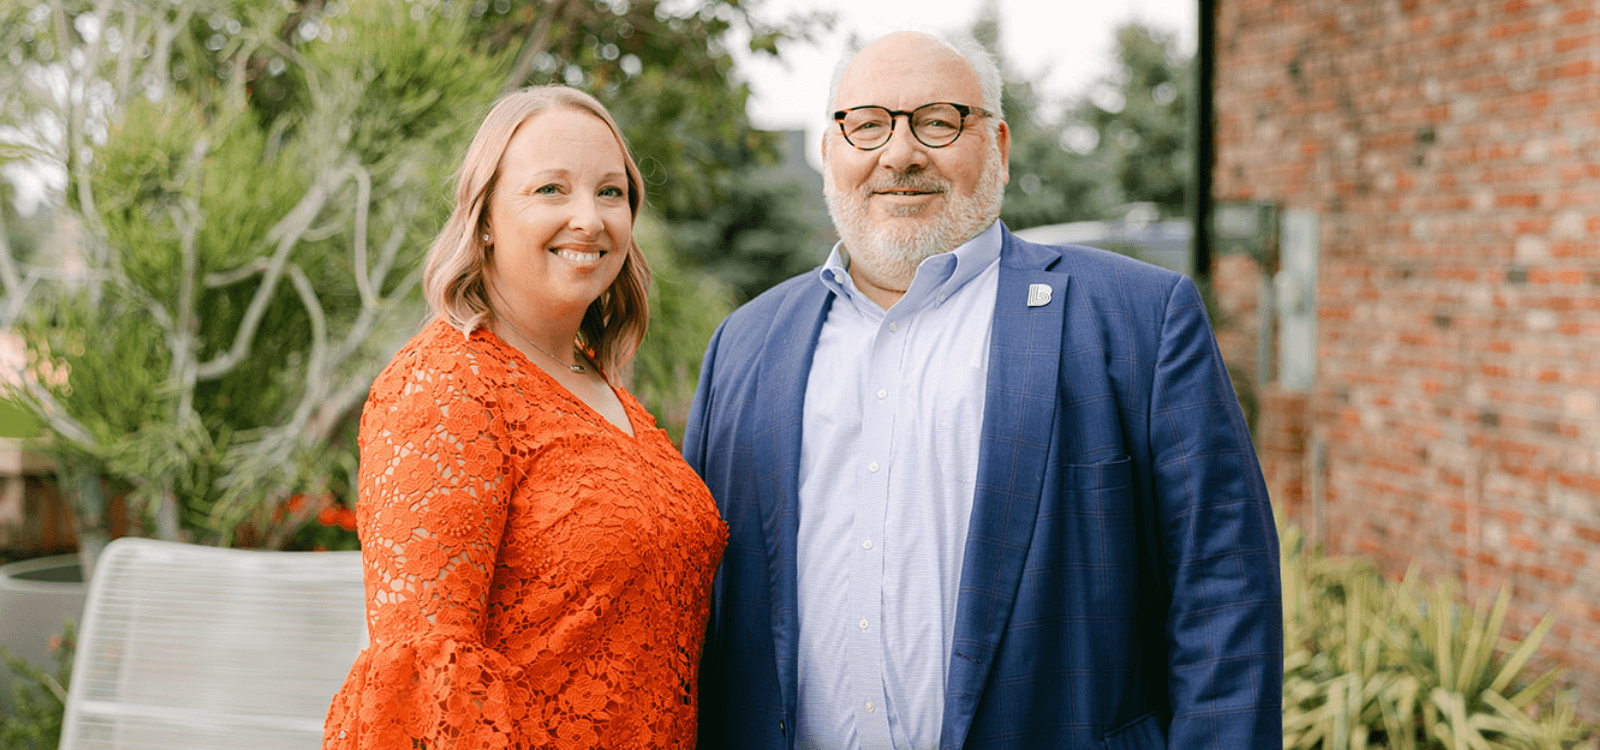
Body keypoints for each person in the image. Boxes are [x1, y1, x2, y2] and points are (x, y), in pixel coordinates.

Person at [683, 31, 1282, 750]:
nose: (899, 154)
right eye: (867, 124)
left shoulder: (1139, 321)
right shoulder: (745, 344)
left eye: (937, 121)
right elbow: (699, 616)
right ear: (829, 152)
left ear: (997, 142)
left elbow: (1224, 597)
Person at [323, 85, 727, 749]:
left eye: (610, 192)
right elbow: (429, 692)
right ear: (485, 218)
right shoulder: (446, 387)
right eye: (550, 190)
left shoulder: (602, 383)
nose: (589, 219)